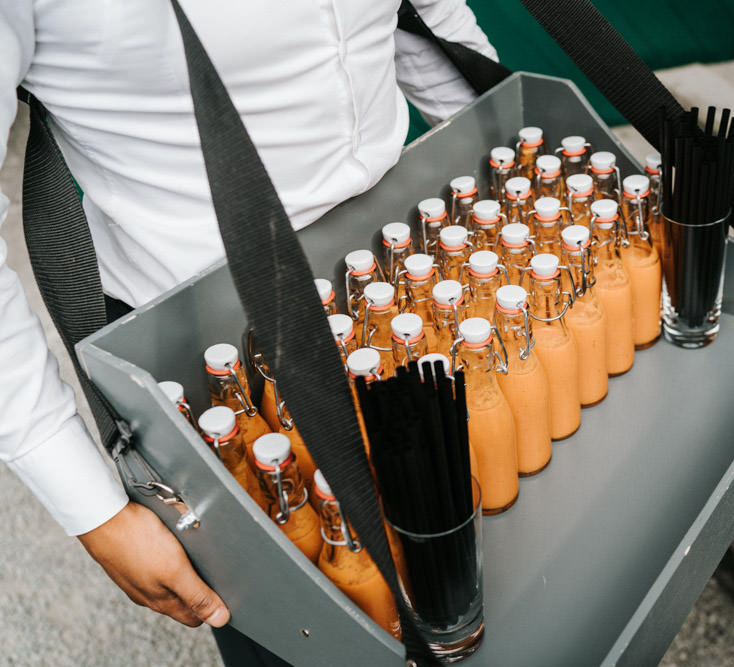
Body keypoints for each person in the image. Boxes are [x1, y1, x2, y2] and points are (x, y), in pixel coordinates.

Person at [0, 1, 497, 662]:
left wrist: (502, 189)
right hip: (211, 361)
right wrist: (94, 509)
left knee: (491, 556)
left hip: (404, 273)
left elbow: (424, 16)